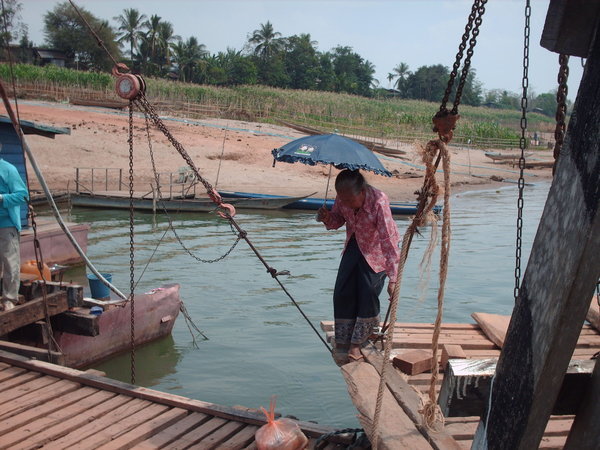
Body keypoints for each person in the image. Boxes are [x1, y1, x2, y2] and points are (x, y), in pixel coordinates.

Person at [317, 169, 400, 363]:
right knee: (342, 291)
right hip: (355, 243)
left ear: (362, 192)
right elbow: (338, 221)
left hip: (377, 247)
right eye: (342, 200)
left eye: (349, 200)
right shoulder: (342, 198)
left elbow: (388, 239)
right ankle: (345, 337)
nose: (345, 204)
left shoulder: (379, 201)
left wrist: (393, 278)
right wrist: (327, 217)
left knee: (368, 290)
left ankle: (359, 342)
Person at [0, 144, 29, 311]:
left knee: (10, 263)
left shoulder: (8, 169)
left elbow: (22, 195)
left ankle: (9, 298)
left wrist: (2, 198)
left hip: (7, 224)